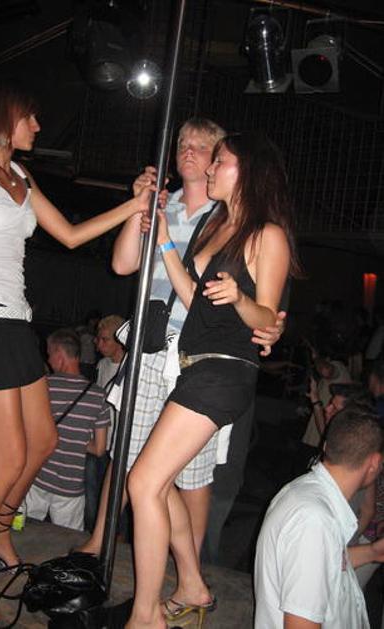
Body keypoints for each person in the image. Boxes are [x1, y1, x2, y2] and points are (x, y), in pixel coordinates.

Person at [0, 78, 151, 625]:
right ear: (6, 115)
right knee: (8, 461)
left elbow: (70, 234)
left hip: (16, 324)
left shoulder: (21, 175)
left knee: (43, 441)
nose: (39, 127)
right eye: (31, 117)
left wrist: (134, 206)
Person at [79, 118, 285, 563]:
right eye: (182, 144)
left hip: (201, 352)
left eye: (202, 147)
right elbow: (122, 264)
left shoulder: (228, 216)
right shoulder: (166, 205)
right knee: (129, 450)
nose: (189, 152)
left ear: (222, 160)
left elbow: (259, 292)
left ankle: (189, 566)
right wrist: (139, 207)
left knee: (191, 473)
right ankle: (102, 543)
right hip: (153, 341)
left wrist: (268, 322)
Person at [125, 130, 299, 628]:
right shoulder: (217, 224)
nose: (209, 168)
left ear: (247, 171)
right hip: (194, 365)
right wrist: (164, 239)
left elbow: (266, 315)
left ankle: (145, 614)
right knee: (160, 485)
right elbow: (192, 297)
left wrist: (240, 299)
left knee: (143, 482)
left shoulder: (267, 234)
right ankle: (192, 585)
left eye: (219, 160)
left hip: (225, 370)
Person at [254, 405, 384, 628]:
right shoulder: (314, 521)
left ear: (326, 446)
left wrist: (374, 552)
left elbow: (326, 564)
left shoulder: (308, 493)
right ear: (374, 463)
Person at [25, 328, 110, 531]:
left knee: (24, 531)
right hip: (70, 487)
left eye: (49, 354)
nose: (48, 360)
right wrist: (76, 440)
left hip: (36, 477)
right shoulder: (98, 396)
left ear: (59, 355)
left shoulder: (42, 387)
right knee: (68, 541)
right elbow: (99, 449)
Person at [85, 315, 125, 529]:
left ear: (120, 341)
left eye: (104, 339)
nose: (98, 344)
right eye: (98, 339)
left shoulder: (130, 368)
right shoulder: (102, 365)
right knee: (92, 494)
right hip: (98, 439)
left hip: (118, 445)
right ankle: (93, 534)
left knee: (115, 499)